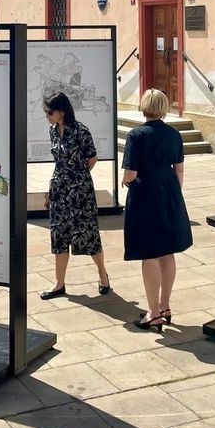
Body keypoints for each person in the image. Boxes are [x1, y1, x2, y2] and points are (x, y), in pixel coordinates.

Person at [122, 88, 193, 332]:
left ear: (144, 106)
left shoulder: (137, 135)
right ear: (163, 107)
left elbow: (131, 172)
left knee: (150, 252)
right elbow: (179, 169)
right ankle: (165, 306)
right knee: (167, 251)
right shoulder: (174, 134)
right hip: (170, 192)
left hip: (146, 195)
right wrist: (174, 193)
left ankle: (152, 313)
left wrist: (126, 181)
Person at [40, 91, 110, 299]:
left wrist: (77, 176)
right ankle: (59, 284)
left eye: (49, 112)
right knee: (59, 235)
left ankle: (103, 275)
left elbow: (92, 158)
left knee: (88, 234)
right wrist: (53, 189)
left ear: (61, 111)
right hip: (59, 190)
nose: (47, 116)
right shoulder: (53, 130)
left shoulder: (81, 131)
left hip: (80, 192)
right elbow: (58, 162)